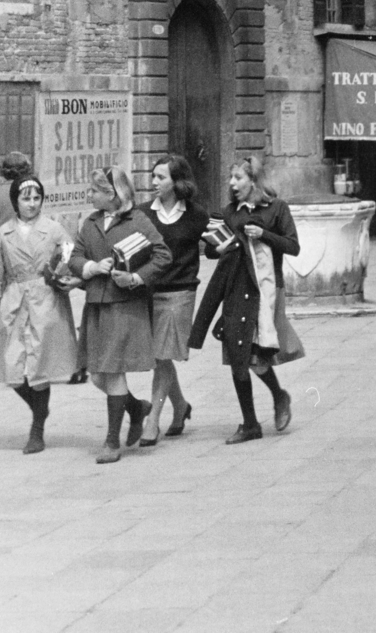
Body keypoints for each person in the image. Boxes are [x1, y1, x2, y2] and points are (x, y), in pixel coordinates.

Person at [189, 155, 303, 445]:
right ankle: (250, 422)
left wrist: (264, 234)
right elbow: (210, 249)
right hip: (237, 288)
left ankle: (279, 396)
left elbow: (293, 246)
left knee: (257, 357)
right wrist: (221, 247)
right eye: (231, 178)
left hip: (267, 291)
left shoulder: (277, 208)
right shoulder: (227, 212)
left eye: (238, 178)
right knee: (239, 356)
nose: (232, 183)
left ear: (254, 181)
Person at [68, 166, 170, 463]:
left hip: (125, 306)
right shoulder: (90, 222)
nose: (89, 195)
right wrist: (89, 267)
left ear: (112, 194)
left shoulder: (138, 219)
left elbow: (163, 254)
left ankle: (112, 442)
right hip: (96, 306)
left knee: (112, 372)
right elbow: (75, 256)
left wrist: (137, 277)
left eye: (94, 191)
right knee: (98, 375)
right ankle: (137, 408)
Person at [0, 172, 78, 452]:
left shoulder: (53, 229)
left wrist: (64, 276)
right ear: (15, 201)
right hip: (14, 300)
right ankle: (40, 411)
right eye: (26, 198)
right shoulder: (3, 233)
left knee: (39, 367)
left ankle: (37, 429)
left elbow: (69, 257)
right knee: (12, 367)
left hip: (45, 300)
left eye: (37, 198)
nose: (32, 204)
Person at [138, 154, 209, 445]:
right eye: (153, 176)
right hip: (149, 292)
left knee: (162, 355)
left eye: (160, 177)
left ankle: (152, 420)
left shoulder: (197, 215)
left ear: (177, 181)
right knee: (160, 355)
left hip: (180, 292)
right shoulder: (143, 213)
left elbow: (219, 245)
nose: (154, 182)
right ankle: (180, 406)